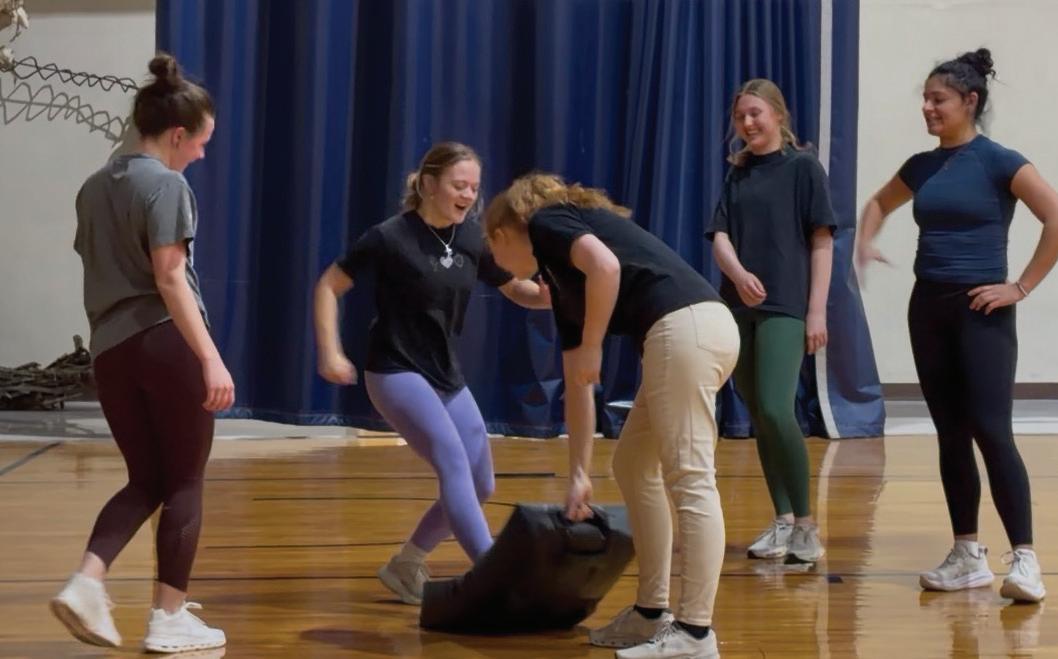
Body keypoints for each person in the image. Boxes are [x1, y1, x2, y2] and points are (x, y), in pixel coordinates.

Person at [485, 173, 739, 659]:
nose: (502, 268)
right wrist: (579, 474)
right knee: (633, 465)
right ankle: (651, 612)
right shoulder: (564, 282)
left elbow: (606, 266)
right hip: (696, 330)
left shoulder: (546, 221)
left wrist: (595, 345)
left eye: (493, 251)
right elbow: (579, 385)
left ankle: (695, 634)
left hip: (686, 328)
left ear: (501, 234)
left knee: (690, 479)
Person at [858, 48, 1058, 603]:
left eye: (938, 99)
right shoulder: (922, 166)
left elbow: (1055, 217)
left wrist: (1020, 287)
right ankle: (967, 555)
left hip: (982, 312)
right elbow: (878, 203)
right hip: (928, 308)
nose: (927, 107)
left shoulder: (999, 161)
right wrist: (866, 241)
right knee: (950, 434)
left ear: (970, 101)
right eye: (925, 99)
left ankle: (1026, 561)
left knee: (992, 431)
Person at [313, 142, 549, 605]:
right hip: (395, 370)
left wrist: (547, 297)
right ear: (427, 185)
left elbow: (515, 289)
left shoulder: (471, 238)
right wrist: (330, 351)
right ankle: (496, 578)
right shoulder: (389, 237)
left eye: (474, 188)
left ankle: (406, 564)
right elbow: (328, 285)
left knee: (481, 484)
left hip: (445, 374)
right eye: (459, 185)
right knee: (452, 462)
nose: (469, 196)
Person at [51, 53, 229, 652]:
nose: (200, 155)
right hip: (165, 341)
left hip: (110, 351)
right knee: (185, 480)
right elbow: (170, 276)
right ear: (177, 134)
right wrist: (209, 356)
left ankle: (87, 581)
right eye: (200, 143)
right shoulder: (167, 185)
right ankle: (168, 618)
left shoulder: (93, 187)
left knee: (146, 478)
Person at [708, 78, 836, 563]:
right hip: (739, 305)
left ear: (778, 115)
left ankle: (805, 525)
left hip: (785, 304)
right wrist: (739, 275)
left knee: (778, 408)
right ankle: (782, 520)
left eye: (755, 114)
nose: (747, 123)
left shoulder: (803, 168)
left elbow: (822, 240)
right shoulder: (737, 173)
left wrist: (816, 310)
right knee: (759, 413)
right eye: (740, 116)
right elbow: (720, 235)